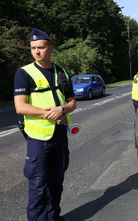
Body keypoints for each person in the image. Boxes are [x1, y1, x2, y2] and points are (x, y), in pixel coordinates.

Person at [14, 28, 76, 221]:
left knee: (57, 182)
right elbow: (20, 106)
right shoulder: (24, 73)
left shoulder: (62, 72)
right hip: (37, 139)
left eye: (40, 47)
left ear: (50, 48)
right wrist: (50, 113)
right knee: (38, 186)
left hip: (59, 135)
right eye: (33, 48)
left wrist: (63, 109)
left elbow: (72, 101)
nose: (37, 51)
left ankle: (53, 217)